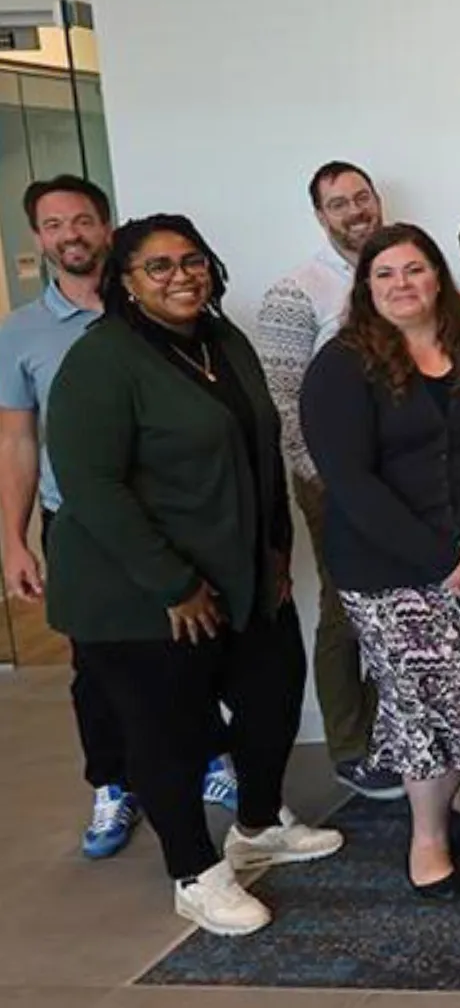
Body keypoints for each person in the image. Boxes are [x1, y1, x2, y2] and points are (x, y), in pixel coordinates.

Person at [45, 214, 343, 935]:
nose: (182, 275)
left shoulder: (222, 339)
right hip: (136, 595)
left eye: (192, 260)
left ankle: (259, 822)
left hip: (239, 574)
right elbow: (90, 485)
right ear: (125, 281)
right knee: (166, 733)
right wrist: (173, 585)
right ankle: (193, 870)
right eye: (159, 266)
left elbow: (261, 451)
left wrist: (274, 551)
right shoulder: (103, 359)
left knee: (271, 693)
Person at [301, 223, 460, 899]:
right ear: (366, 287)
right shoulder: (342, 366)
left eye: (413, 270)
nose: (401, 285)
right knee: (428, 707)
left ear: (438, 275)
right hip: (393, 573)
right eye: (385, 275)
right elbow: (349, 482)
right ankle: (429, 835)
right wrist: (442, 560)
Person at [0, 176, 238, 858]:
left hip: (175, 519)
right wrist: (13, 541)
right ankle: (112, 783)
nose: (69, 234)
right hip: (79, 524)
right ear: (38, 239)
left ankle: (206, 757)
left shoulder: (163, 314)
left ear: (107, 228)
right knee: (99, 670)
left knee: (194, 646)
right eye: (52, 225)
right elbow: (17, 439)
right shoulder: (21, 332)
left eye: (82, 220)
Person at [254, 160, 399, 800]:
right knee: (347, 606)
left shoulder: (402, 273)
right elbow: (281, 402)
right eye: (338, 203)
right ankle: (350, 745)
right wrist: (329, 479)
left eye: (361, 197)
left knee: (404, 606)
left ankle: (400, 732)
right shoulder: (298, 291)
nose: (354, 211)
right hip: (334, 481)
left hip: (402, 475)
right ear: (321, 216)